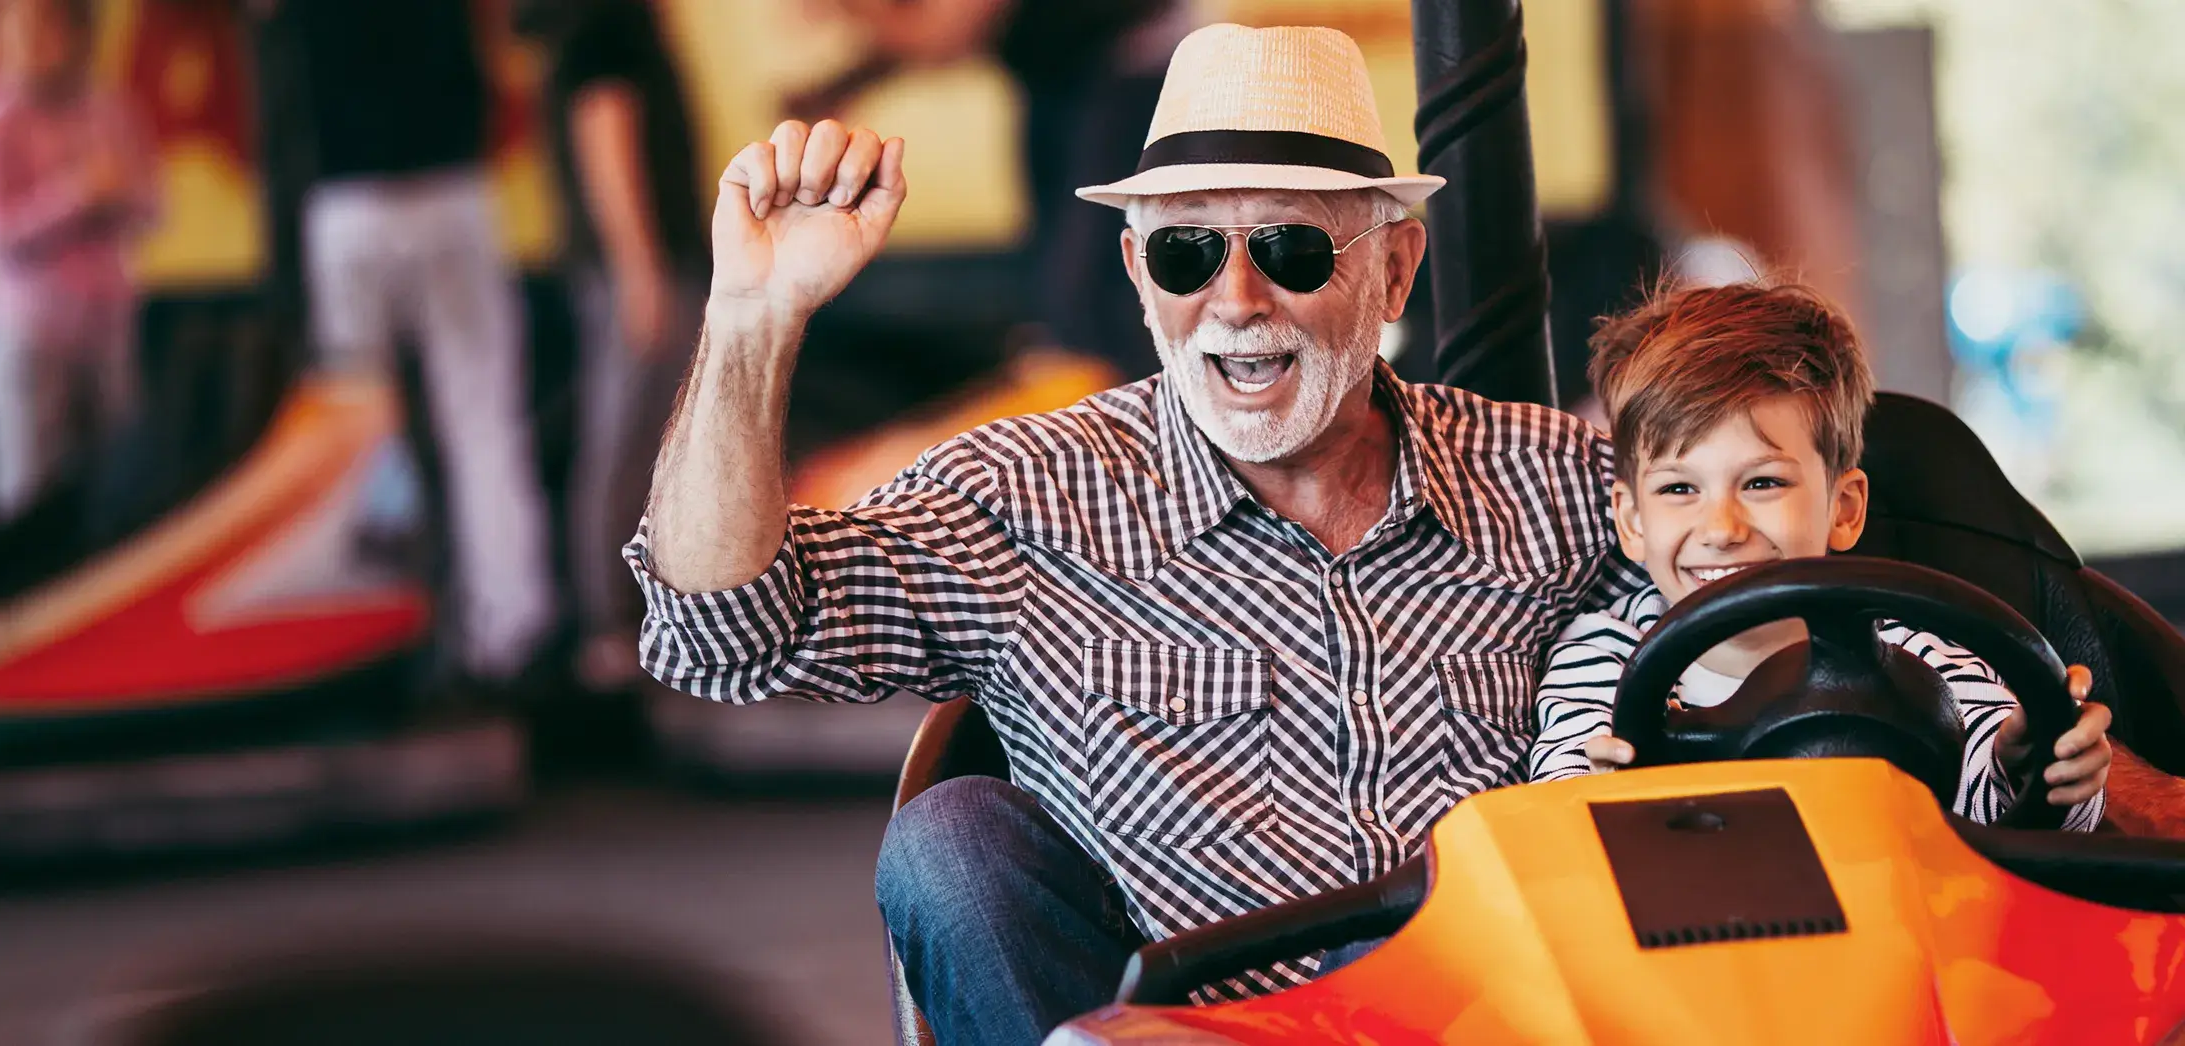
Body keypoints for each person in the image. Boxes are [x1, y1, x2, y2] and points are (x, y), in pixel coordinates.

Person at [627, 25, 2116, 1046]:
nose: (1236, 300)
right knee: (952, 842)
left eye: (1288, 247)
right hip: (1204, 1020)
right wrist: (754, 319)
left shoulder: (1557, 480)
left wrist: (2092, 754)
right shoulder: (1027, 494)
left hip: (1521, 1017)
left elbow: (1797, 557)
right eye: (1188, 248)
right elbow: (716, 632)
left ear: (1394, 261)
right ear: (1139, 274)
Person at [1526, 282, 2109, 826]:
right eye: (1679, 489)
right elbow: (1566, 790)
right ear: (1632, 520)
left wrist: (2035, 761)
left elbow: (2017, 807)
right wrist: (1599, 793)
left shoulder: (1914, 654)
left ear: (1845, 508)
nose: (1722, 529)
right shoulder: (1606, 658)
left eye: (1762, 484)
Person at [284, 0, 558, 682]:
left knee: (354, 443)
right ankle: (513, 632)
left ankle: (358, 642)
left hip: (349, 202)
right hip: (449, 190)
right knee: (484, 423)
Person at [790, 0, 1190, 380]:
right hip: (1062, 68)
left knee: (1083, 286)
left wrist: (865, 53)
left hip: (1128, 58)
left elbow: (947, 28)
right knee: (1056, 275)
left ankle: (1118, 396)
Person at [520, 0, 711, 689]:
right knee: (631, 447)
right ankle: (609, 630)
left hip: (634, 267)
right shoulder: (607, 25)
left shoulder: (594, 26)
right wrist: (641, 269)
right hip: (638, 269)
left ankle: (622, 627)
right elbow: (607, 133)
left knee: (636, 445)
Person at [0, 0, 164, 527]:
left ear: (78, 33)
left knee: (121, 488)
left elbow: (155, 207)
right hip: (33, 337)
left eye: (41, 27)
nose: (25, 44)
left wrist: (121, 195)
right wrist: (76, 197)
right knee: (29, 495)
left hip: (108, 329)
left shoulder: (111, 109)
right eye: (13, 30)